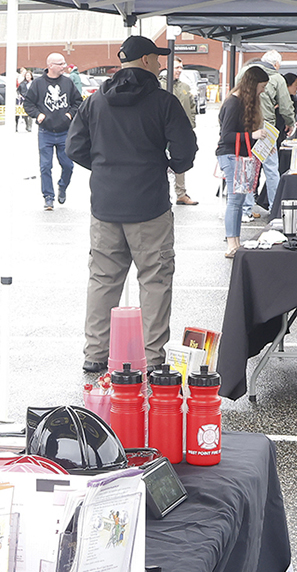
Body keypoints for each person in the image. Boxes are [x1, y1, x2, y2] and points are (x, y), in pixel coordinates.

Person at [67, 35, 197, 373]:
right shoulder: (163, 101)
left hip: (106, 205)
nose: (161, 64)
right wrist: (167, 165)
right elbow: (185, 151)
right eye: (158, 58)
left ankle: (95, 353)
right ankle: (152, 358)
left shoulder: (95, 101)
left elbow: (74, 147)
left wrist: (104, 168)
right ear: (146, 60)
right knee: (155, 281)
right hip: (149, 205)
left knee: (103, 280)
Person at [216, 64, 269, 257]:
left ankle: (235, 241)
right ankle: (232, 242)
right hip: (230, 155)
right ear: (253, 85)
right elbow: (227, 135)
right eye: (262, 87)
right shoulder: (234, 103)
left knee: (237, 200)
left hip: (236, 155)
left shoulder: (238, 101)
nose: (262, 91)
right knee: (235, 200)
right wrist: (253, 135)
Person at [21, 53, 85, 210]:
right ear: (50, 65)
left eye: (64, 63)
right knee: (45, 166)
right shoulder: (38, 84)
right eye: (60, 64)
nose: (64, 66)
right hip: (46, 132)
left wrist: (69, 115)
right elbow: (28, 104)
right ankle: (48, 197)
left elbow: (78, 102)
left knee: (68, 165)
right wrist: (38, 114)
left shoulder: (68, 83)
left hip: (64, 132)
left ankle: (62, 186)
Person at [256, 50, 296, 213]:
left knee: (249, 167)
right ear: (276, 64)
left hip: (246, 125)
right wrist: (290, 122)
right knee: (271, 168)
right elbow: (285, 105)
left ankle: (246, 208)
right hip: (266, 126)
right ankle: (275, 206)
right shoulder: (277, 78)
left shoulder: (245, 72)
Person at [170, 66, 201, 206]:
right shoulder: (161, 85)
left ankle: (181, 194)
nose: (179, 70)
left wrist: (191, 124)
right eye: (176, 67)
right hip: (166, 130)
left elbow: (192, 106)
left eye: (181, 68)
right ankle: (164, 193)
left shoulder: (185, 86)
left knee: (180, 160)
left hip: (181, 131)